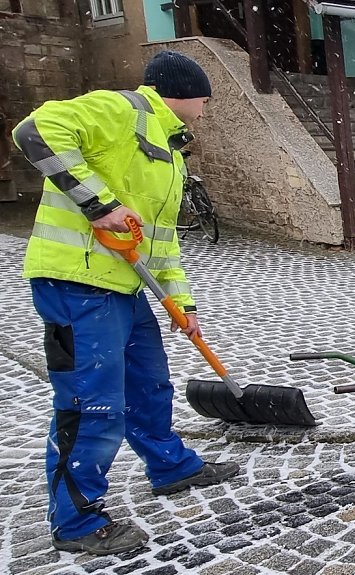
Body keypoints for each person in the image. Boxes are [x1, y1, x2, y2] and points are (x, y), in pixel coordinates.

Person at [11, 50, 239, 556]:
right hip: (78, 284)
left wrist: (182, 302)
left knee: (149, 383)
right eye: (206, 97)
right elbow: (35, 131)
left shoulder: (169, 151)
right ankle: (75, 522)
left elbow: (162, 242)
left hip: (126, 287)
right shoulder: (122, 110)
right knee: (92, 403)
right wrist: (99, 203)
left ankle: (171, 466)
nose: (206, 107)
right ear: (189, 93)